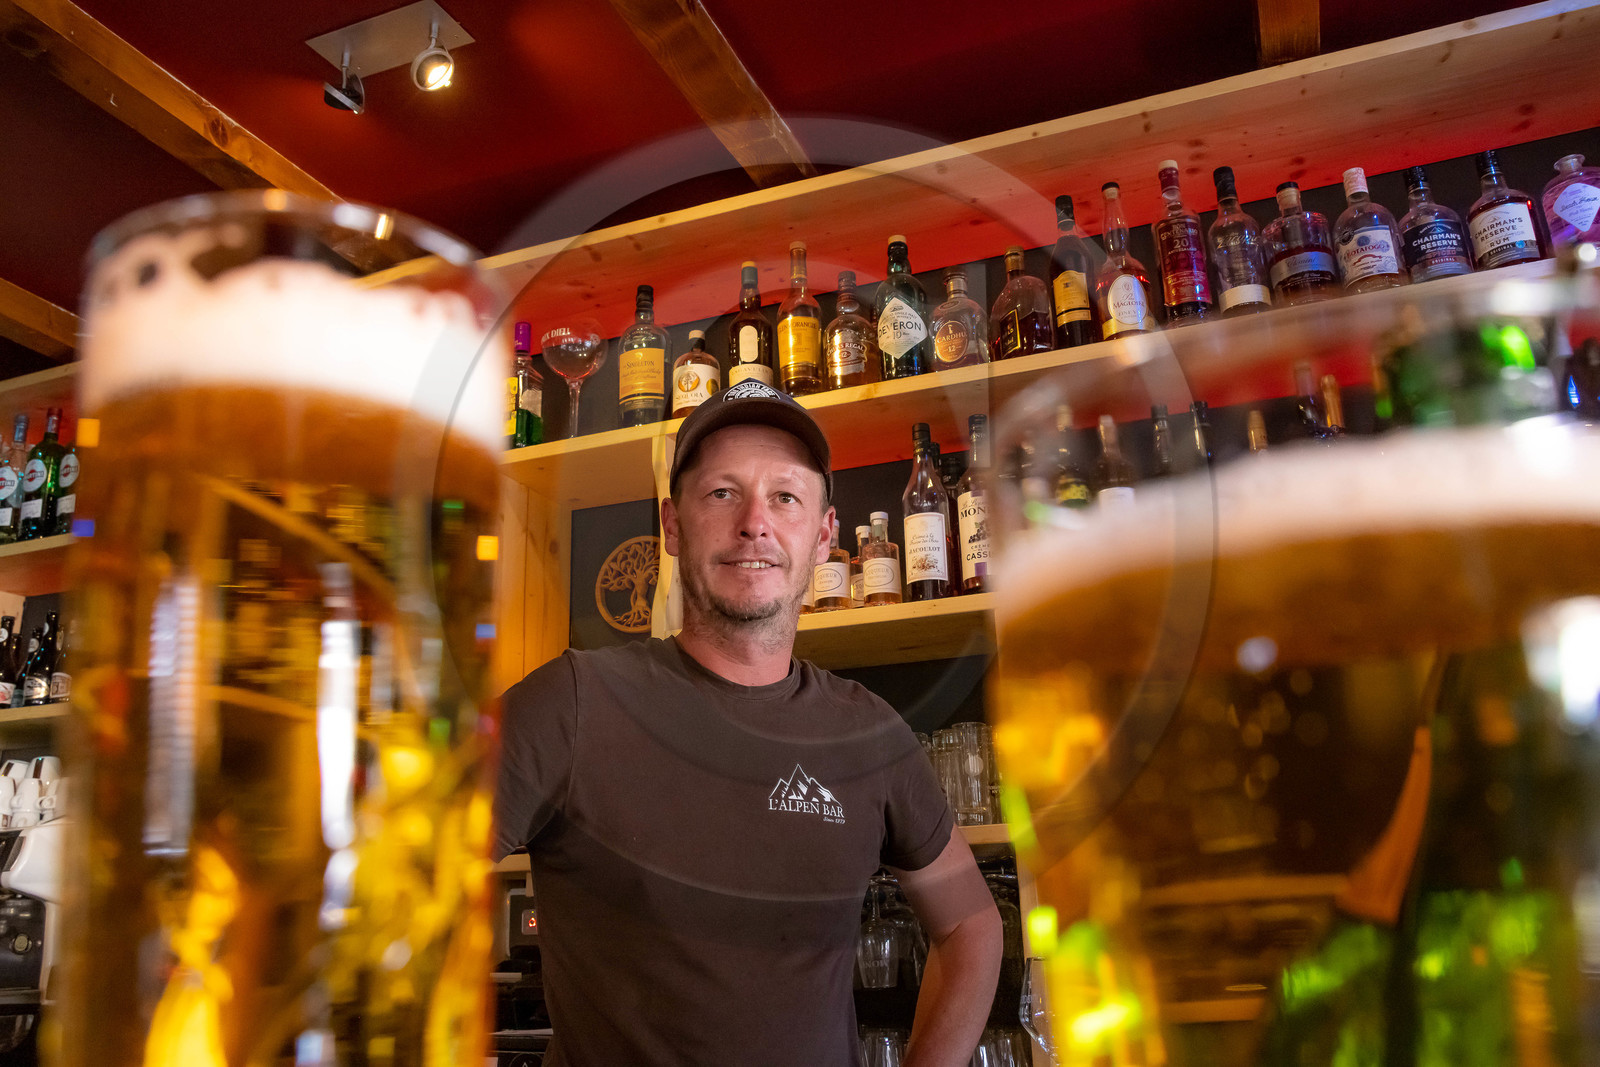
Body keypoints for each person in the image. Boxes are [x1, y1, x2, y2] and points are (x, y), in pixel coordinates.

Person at [493, 379, 1003, 1066]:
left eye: (785, 496)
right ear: (673, 525)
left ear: (824, 535)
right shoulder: (573, 703)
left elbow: (971, 922)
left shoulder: (868, 733)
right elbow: (402, 884)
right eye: (722, 493)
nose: (755, 522)